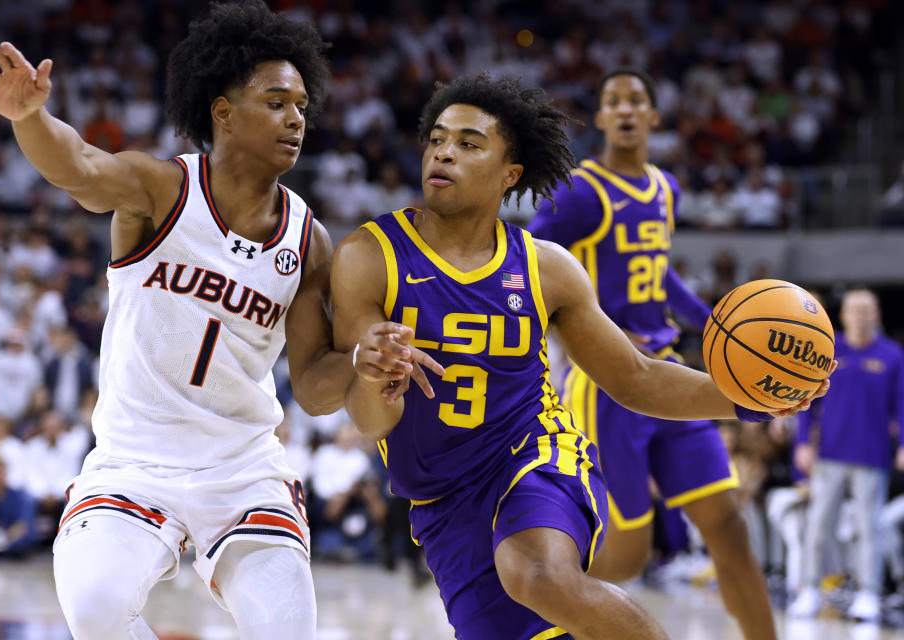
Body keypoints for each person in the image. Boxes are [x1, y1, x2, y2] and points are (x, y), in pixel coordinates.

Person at [0, 4, 437, 639]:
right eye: (276, 101)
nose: (296, 118)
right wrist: (30, 117)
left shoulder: (310, 239)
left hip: (242, 467)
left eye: (301, 104)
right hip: (134, 459)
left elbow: (313, 387)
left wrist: (357, 363)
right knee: (96, 609)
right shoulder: (159, 189)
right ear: (223, 112)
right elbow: (77, 165)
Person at [331, 73, 826, 640]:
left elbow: (636, 377)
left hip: (534, 452)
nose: (444, 151)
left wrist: (752, 400)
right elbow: (369, 420)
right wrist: (370, 379)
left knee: (538, 573)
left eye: (469, 143)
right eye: (437, 138)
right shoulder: (368, 256)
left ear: (509, 174)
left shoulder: (546, 267)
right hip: (440, 497)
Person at [526, 69, 778, 640]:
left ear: (655, 117)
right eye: (613, 101)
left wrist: (719, 328)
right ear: (601, 117)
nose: (626, 109)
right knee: (627, 554)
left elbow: (656, 272)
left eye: (637, 99)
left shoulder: (666, 189)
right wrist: (581, 335)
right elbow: (531, 262)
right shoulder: (581, 192)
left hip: (669, 371)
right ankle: (527, 603)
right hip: (607, 385)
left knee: (729, 525)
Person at [789, 289, 904, 622]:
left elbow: (901, 402)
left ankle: (868, 592)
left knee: (870, 528)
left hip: (871, 456)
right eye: (854, 310)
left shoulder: (892, 354)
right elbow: (807, 397)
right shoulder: (828, 349)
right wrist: (802, 443)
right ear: (844, 316)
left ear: (876, 316)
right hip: (830, 453)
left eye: (866, 310)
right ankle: (809, 589)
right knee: (818, 524)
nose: (860, 316)